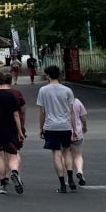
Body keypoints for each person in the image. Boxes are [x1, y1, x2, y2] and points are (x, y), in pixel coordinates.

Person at [37, 65, 78, 193]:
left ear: (48, 76)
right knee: (67, 151)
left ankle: (62, 185)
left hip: (51, 125)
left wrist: (42, 127)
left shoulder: (43, 90)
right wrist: (74, 128)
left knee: (56, 153)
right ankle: (70, 178)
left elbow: (42, 111)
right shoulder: (67, 90)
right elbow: (71, 111)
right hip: (65, 125)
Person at [69, 97, 88, 185]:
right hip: (77, 132)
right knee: (78, 154)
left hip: (62, 131)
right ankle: (80, 171)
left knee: (65, 155)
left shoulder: (58, 102)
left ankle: (68, 179)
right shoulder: (77, 101)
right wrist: (85, 126)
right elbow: (83, 117)